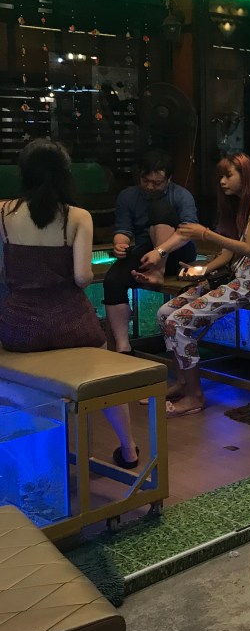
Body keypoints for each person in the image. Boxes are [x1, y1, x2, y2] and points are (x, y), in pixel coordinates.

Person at [0, 140, 140, 468]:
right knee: (104, 370)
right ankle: (129, 449)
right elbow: (82, 278)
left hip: (20, 328)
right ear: (66, 173)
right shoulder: (78, 216)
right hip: (72, 325)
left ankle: (37, 458)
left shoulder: (3, 212)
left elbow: (2, 273)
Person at [155, 154, 250, 417]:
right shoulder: (241, 205)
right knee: (165, 313)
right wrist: (201, 271)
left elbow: (249, 247)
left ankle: (194, 396)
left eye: (228, 175)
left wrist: (205, 234)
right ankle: (183, 382)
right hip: (236, 276)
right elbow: (229, 253)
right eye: (220, 176)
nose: (222, 181)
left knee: (179, 321)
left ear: (245, 175)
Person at [102, 150, 198, 353]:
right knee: (112, 281)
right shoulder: (128, 196)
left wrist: (160, 251)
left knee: (159, 208)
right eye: (145, 181)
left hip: (177, 252)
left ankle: (157, 272)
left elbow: (188, 232)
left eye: (157, 183)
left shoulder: (181, 195)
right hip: (146, 251)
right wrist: (120, 244)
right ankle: (123, 346)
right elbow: (123, 230)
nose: (150, 187)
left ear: (169, 179)